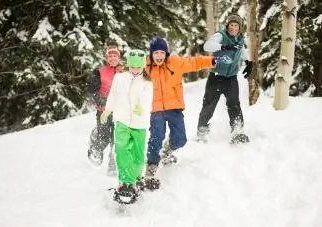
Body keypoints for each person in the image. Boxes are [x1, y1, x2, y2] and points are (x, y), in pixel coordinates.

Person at [144, 35, 218, 190]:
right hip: (157, 109)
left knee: (181, 139)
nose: (159, 56)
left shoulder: (175, 63)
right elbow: (132, 68)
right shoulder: (147, 66)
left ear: (166, 53)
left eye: (161, 53)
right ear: (151, 54)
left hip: (175, 107)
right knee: (155, 137)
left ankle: (168, 150)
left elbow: (194, 62)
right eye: (155, 53)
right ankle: (151, 165)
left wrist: (211, 61)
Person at [100, 49, 153, 204]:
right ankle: (125, 182)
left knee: (137, 155)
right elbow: (113, 95)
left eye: (138, 67)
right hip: (122, 119)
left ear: (143, 66)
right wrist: (107, 110)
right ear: (128, 65)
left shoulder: (147, 82)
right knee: (121, 148)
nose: (135, 70)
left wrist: (141, 107)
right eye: (132, 66)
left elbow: (147, 99)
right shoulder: (119, 77)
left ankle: (136, 178)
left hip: (139, 123)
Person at [196, 14, 252, 144]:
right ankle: (202, 131)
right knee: (209, 104)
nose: (233, 28)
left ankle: (237, 130)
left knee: (234, 104)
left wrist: (249, 62)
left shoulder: (240, 39)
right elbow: (207, 46)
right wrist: (223, 46)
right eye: (231, 25)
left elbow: (242, 50)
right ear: (227, 26)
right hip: (216, 76)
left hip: (231, 78)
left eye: (236, 25)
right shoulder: (221, 35)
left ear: (239, 27)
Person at [87, 42, 124, 173]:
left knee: (117, 138)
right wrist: (100, 99)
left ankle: (113, 163)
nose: (112, 58)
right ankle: (95, 142)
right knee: (104, 137)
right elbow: (93, 91)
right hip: (103, 110)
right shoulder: (100, 72)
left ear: (119, 58)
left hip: (120, 111)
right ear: (107, 59)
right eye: (110, 57)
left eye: (115, 56)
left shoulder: (125, 71)